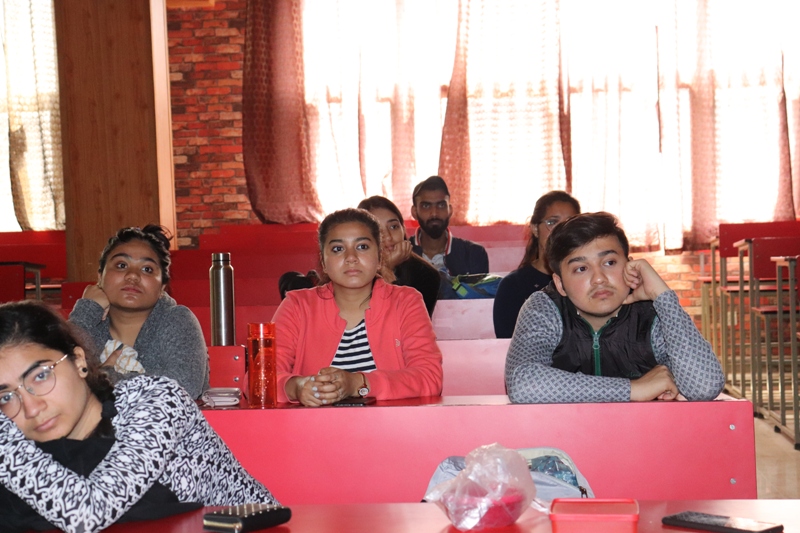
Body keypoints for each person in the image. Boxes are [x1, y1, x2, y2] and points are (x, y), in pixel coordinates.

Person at [0, 301, 277, 533]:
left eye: (41, 376)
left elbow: (88, 513)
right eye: (5, 397)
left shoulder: (155, 400)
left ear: (79, 361)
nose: (31, 408)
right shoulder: (33, 448)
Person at [505, 212, 725, 404]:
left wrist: (663, 297)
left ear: (630, 266)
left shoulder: (652, 314)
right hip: (563, 435)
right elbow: (522, 383)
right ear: (560, 284)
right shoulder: (545, 308)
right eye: (581, 269)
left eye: (609, 263)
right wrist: (633, 389)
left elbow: (704, 387)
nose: (599, 279)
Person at [274, 208, 443, 406]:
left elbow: (429, 376)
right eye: (338, 249)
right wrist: (296, 387)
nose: (351, 257)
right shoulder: (297, 305)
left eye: (362, 247)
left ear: (379, 258)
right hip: (313, 425)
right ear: (323, 262)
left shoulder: (406, 302)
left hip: (392, 424)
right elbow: (259, 379)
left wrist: (358, 383)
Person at [69, 225, 208, 399]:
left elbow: (184, 386)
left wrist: (102, 378)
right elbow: (58, 378)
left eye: (147, 269)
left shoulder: (177, 320)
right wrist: (87, 310)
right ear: (100, 277)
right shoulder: (88, 324)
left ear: (162, 286)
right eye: (121, 265)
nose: (133, 276)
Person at [493, 191, 580, 338]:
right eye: (552, 222)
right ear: (535, 229)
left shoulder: (586, 279)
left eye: (570, 223)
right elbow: (508, 341)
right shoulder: (513, 285)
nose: (562, 231)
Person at [358, 196, 440, 316]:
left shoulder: (426, 274)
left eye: (393, 227)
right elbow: (360, 319)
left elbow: (403, 321)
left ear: (403, 228)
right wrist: (387, 267)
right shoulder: (350, 269)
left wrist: (388, 268)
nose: (388, 236)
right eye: (377, 230)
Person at [410, 176, 489, 277]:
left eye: (441, 205)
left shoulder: (474, 254)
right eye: (426, 206)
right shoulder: (402, 254)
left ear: (450, 210)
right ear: (414, 212)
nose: (434, 213)